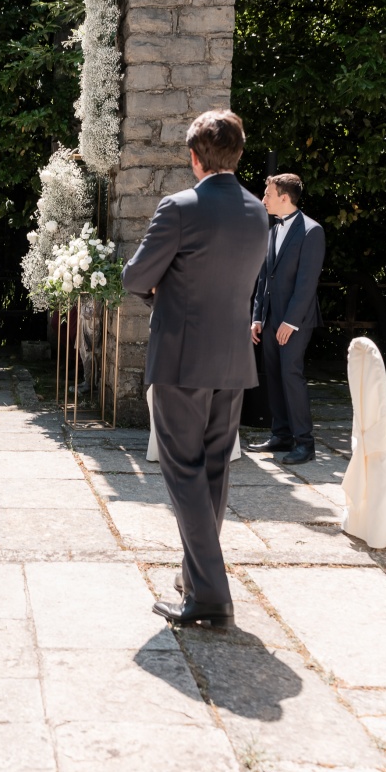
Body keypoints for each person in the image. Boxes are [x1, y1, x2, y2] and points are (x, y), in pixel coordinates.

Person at [120, 109, 267, 629]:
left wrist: (158, 292)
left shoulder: (180, 207)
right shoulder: (258, 211)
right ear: (238, 154)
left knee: (183, 470)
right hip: (233, 359)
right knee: (213, 470)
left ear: (193, 157)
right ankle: (195, 577)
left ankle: (210, 595)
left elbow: (135, 276)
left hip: (182, 358)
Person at [248, 173, 326, 465]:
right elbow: (263, 278)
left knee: (291, 376)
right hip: (269, 318)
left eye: (268, 194)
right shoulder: (272, 230)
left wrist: (291, 322)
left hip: (296, 321)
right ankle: (281, 435)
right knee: (274, 376)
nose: (263, 200)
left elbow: (307, 283)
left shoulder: (312, 231)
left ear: (284, 197)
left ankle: (305, 443)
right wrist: (257, 317)